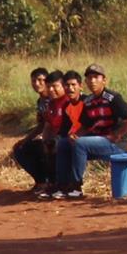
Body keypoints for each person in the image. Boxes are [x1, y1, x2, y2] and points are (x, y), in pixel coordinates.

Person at [68, 64, 127, 198]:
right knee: (65, 144)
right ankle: (61, 184)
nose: (92, 81)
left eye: (96, 77)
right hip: (97, 141)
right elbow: (85, 126)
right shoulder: (88, 101)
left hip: (114, 144)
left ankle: (76, 186)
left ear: (104, 80)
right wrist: (75, 135)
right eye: (89, 78)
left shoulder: (112, 97)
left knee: (81, 144)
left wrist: (120, 134)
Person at [12, 67, 50, 194]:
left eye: (40, 80)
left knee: (44, 147)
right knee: (20, 149)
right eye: (34, 81)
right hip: (46, 134)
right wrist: (25, 140)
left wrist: (44, 136)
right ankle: (40, 182)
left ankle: (52, 182)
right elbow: (41, 125)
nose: (37, 84)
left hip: (56, 136)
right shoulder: (40, 101)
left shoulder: (54, 99)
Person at [52, 70, 86, 199]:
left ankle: (76, 187)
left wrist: (78, 135)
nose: (70, 89)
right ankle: (62, 186)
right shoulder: (67, 106)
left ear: (80, 86)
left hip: (88, 136)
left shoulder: (87, 102)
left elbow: (90, 124)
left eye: (73, 85)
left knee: (76, 143)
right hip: (75, 137)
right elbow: (64, 129)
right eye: (67, 85)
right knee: (61, 143)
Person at [36, 70, 69, 198]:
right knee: (42, 148)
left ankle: (64, 185)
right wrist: (45, 140)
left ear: (63, 86)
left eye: (55, 86)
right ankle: (49, 184)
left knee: (58, 146)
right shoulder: (50, 104)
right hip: (55, 137)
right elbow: (48, 125)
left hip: (67, 137)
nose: (51, 90)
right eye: (49, 86)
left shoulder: (68, 102)